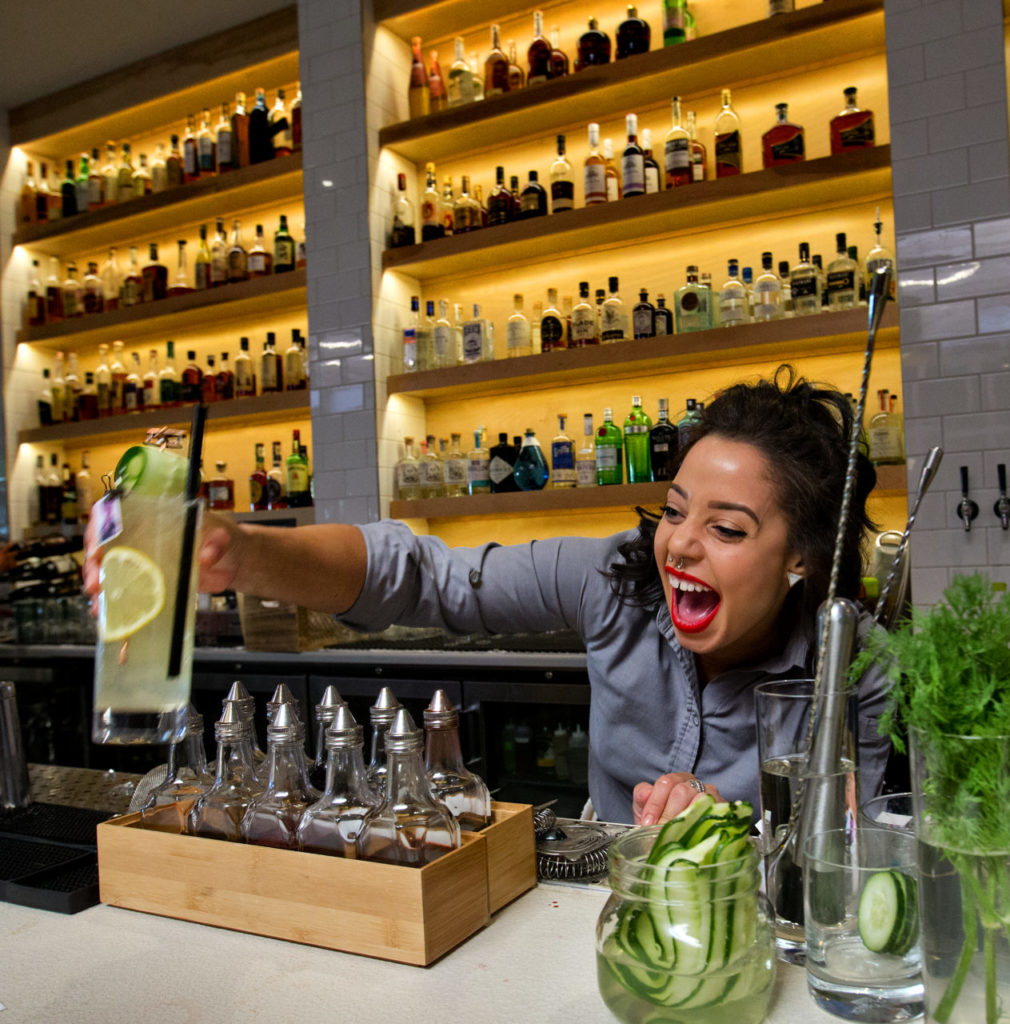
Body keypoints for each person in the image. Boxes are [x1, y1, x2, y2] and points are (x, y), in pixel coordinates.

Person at [84, 366, 890, 825]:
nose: (680, 544)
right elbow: (421, 575)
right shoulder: (614, 582)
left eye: (729, 529)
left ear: (802, 564)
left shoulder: (855, 670)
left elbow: (857, 860)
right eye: (676, 512)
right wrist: (242, 552)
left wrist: (736, 829)